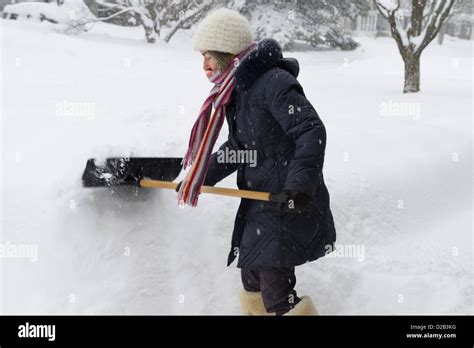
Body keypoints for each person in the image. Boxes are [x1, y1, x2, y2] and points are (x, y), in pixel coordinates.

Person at [177, 8, 336, 315]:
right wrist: (200, 177)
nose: (205, 66)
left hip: (287, 200)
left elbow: (311, 130)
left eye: (208, 56)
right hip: (259, 202)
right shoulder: (238, 90)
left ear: (228, 54)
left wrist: (298, 189)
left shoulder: (273, 83)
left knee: (275, 291)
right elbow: (239, 147)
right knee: (251, 279)